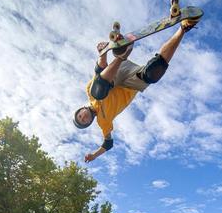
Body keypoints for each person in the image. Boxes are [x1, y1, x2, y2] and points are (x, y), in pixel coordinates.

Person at [74, 17, 200, 163]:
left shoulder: (89, 91)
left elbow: (100, 70)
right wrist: (94, 155)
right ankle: (183, 28)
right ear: (89, 122)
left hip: (117, 73)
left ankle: (120, 56)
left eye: (80, 116)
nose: (84, 118)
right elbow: (108, 144)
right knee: (152, 73)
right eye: (84, 121)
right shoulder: (103, 123)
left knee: (98, 92)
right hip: (129, 86)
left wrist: (103, 54)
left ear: (81, 110)